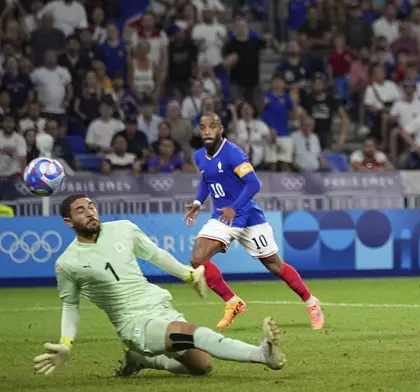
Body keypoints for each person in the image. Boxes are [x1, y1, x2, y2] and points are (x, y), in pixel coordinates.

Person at [33, 194, 285, 377]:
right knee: (193, 332)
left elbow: (156, 255)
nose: (89, 212)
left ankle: (142, 360)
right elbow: (71, 305)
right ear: (68, 222)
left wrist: (189, 275)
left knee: (202, 366)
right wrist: (66, 343)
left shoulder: (123, 228)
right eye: (80, 210)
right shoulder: (67, 262)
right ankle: (263, 354)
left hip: (159, 306)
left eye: (91, 206)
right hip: (134, 323)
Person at [183, 113, 325, 330]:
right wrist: (197, 201)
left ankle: (311, 302)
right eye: (203, 127)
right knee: (197, 258)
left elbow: (253, 184)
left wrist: (234, 207)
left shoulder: (233, 153)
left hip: (247, 216)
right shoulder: (200, 156)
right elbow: (206, 179)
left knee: (275, 266)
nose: (207, 131)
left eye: (212, 126)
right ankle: (233, 302)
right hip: (222, 217)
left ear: (221, 129)